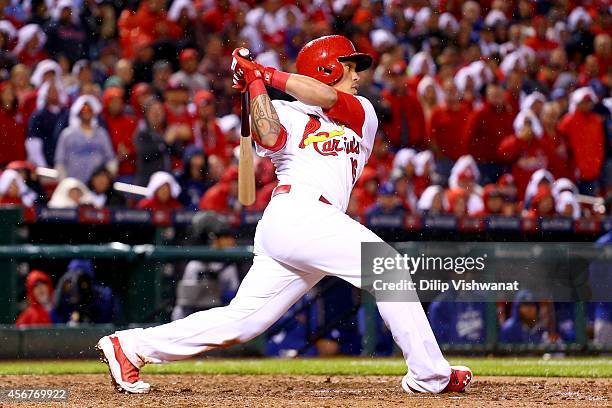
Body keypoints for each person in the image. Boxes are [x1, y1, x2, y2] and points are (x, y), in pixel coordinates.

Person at [97, 35, 471, 395]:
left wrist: (260, 72)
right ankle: (429, 374)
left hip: (315, 221)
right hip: (296, 212)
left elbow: (324, 96)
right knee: (387, 268)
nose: (358, 76)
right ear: (326, 68)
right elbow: (269, 134)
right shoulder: (285, 112)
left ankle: (131, 345)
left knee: (245, 321)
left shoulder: (363, 114)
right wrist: (256, 84)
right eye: (350, 67)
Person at [54, 95, 117, 183]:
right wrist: (65, 182)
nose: (86, 112)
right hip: (74, 184)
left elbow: (110, 158)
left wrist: (107, 178)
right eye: (84, 109)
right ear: (78, 112)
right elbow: (60, 160)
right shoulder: (67, 134)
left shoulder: (101, 134)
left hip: (96, 186)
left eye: (89, 110)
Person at [464, 83, 515, 184]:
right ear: (487, 96)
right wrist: (478, 158)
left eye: (499, 95)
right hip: (485, 165)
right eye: (494, 95)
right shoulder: (479, 114)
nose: (498, 98)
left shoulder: (509, 113)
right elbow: (467, 138)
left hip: (505, 164)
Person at [52, 259, 117, 325]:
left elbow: (108, 319)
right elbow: (57, 319)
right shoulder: (65, 290)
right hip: (69, 332)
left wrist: (88, 305)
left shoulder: (103, 294)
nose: (77, 283)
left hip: (96, 330)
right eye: (73, 275)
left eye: (82, 280)